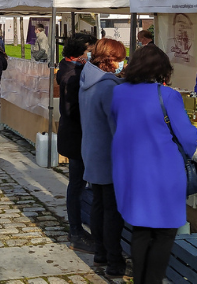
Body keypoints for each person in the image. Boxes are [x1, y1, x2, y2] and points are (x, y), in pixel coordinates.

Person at [112, 45, 197, 284]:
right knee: (164, 232)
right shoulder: (168, 95)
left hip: (130, 169)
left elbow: (116, 125)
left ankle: (140, 279)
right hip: (163, 171)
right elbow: (188, 137)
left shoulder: (119, 93)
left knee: (140, 228)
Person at [78, 38, 128, 277]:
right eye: (119, 59)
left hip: (91, 148)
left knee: (99, 203)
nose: (121, 63)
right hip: (107, 152)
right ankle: (114, 259)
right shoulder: (108, 86)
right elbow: (116, 125)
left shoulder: (88, 78)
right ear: (111, 59)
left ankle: (100, 251)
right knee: (111, 210)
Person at [57, 33, 97, 253]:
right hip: (77, 136)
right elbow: (71, 110)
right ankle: (75, 229)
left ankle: (79, 224)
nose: (91, 53)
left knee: (78, 183)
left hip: (76, 135)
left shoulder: (70, 67)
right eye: (90, 49)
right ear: (82, 50)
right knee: (77, 183)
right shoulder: (72, 74)